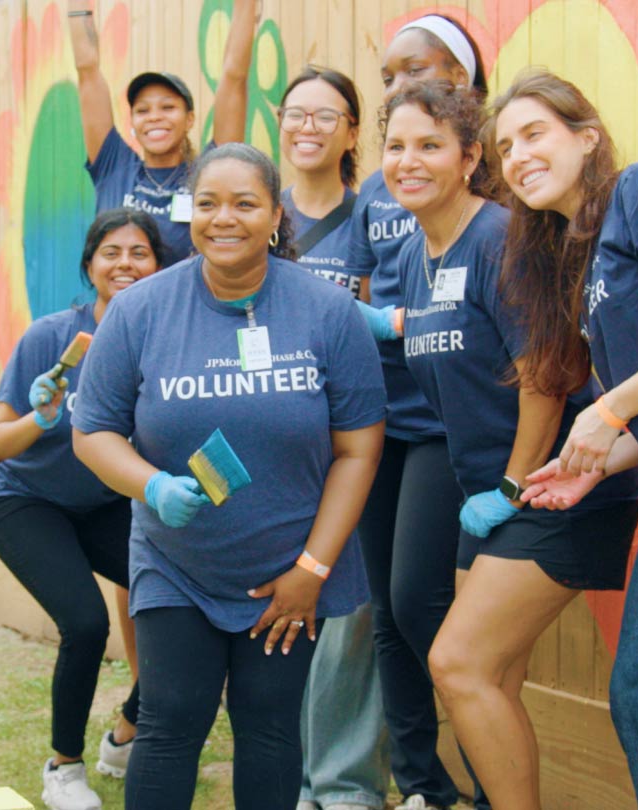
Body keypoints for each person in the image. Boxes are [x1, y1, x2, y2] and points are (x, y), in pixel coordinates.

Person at [72, 142, 386, 810]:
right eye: (207, 203)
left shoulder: (327, 312)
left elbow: (359, 450)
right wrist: (149, 484)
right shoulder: (139, 310)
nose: (224, 219)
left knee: (270, 727)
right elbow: (92, 431)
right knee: (171, 718)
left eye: (245, 203)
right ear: (187, 212)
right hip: (174, 562)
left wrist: (313, 570)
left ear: (276, 213)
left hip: (287, 572)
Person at [373, 79, 638, 810]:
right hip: (516, 486)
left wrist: (516, 483)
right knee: (491, 679)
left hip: (539, 489)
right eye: (395, 147)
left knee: (458, 664)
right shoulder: (422, 255)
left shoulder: (513, 234)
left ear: (467, 161)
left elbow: (546, 380)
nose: (409, 161)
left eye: (431, 145)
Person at [222, 58, 392, 810]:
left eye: (328, 114)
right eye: (296, 112)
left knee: (349, 619)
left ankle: (346, 785)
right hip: (271, 453)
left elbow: (395, 327)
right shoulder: (258, 213)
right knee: (271, 612)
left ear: (353, 131)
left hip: (354, 449)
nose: (309, 127)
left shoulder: (376, 219)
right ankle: (282, 776)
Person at [487, 68, 638, 806]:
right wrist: (594, 460)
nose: (517, 156)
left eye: (534, 134)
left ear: (587, 139)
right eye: (504, 148)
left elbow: (621, 400)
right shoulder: (577, 258)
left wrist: (606, 410)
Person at [0, 207, 170, 810]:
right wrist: (42, 416)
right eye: (111, 252)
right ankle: (63, 767)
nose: (126, 263)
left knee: (178, 596)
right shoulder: (54, 337)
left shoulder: (163, 341)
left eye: (140, 252)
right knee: (86, 624)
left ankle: (128, 731)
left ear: (159, 266)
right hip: (20, 500)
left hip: (99, 501)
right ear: (90, 266)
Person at [345, 15, 492, 810]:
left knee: (418, 601)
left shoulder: (492, 182)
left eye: (422, 69)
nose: (403, 84)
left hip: (446, 422)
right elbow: (369, 291)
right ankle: (423, 786)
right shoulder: (378, 188)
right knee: (389, 617)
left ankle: (484, 782)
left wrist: (407, 325)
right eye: (391, 74)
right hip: (383, 422)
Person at [65, 0, 257, 262]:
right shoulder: (114, 167)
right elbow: (87, 70)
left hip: (186, 302)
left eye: (168, 107)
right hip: (121, 301)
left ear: (189, 119)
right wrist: (78, 9)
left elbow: (234, 77)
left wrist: (246, 6)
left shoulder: (209, 172)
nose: (155, 117)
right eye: (143, 111)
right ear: (132, 122)